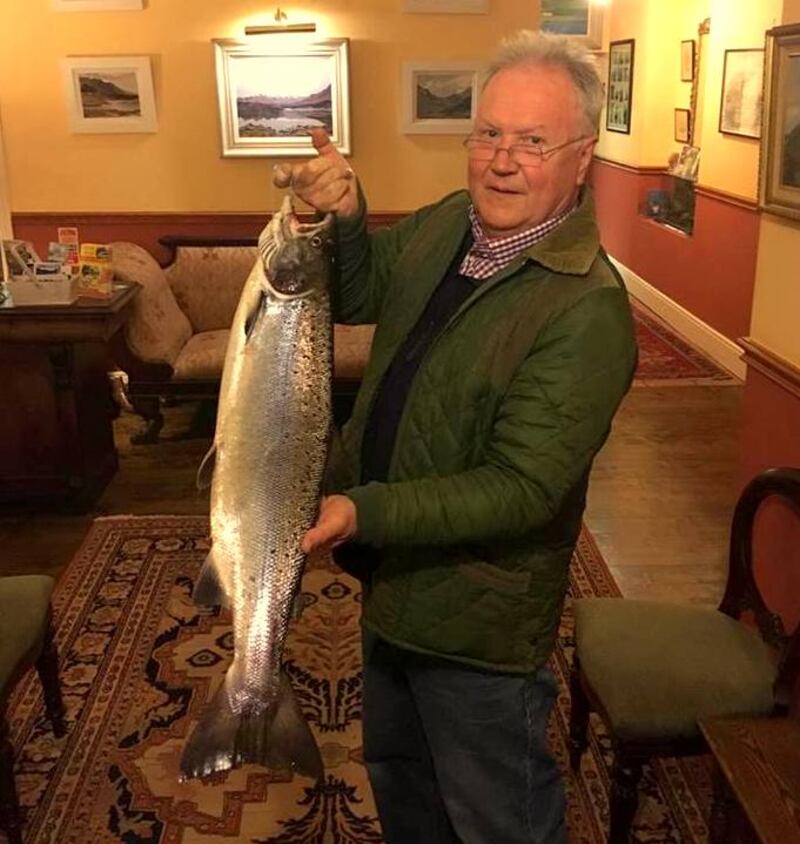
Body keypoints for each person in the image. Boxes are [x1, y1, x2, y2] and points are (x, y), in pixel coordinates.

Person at [275, 30, 637, 844]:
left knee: (496, 817)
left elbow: (522, 488)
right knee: (402, 781)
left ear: (582, 157)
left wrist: (363, 510)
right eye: (488, 134)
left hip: (479, 620)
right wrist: (346, 215)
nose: (502, 161)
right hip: (394, 584)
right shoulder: (451, 224)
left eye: (533, 141)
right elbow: (360, 292)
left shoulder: (586, 308)